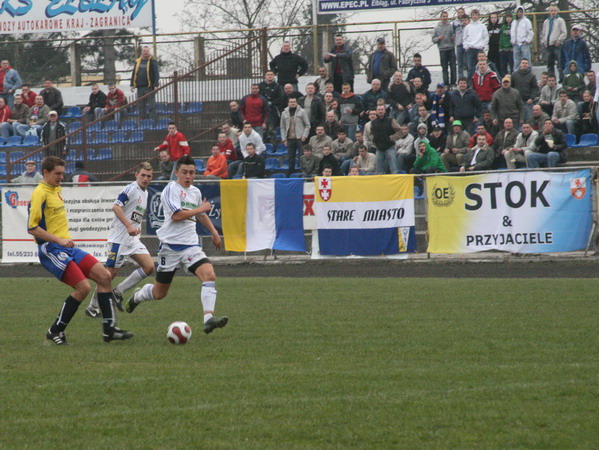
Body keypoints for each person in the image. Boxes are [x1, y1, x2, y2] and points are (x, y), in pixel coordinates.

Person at [29, 156, 132, 345]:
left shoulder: (56, 189)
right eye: (57, 174)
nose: (61, 177)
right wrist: (59, 239)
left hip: (67, 247)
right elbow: (32, 228)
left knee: (104, 276)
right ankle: (55, 331)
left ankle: (109, 330)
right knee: (83, 287)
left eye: (62, 173)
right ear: (45, 173)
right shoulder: (39, 193)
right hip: (51, 249)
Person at [125, 155, 227, 335]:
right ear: (176, 173)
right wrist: (200, 209)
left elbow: (200, 215)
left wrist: (213, 232)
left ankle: (208, 318)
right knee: (159, 294)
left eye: (192, 173)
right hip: (170, 248)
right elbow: (177, 216)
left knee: (209, 275)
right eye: (185, 172)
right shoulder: (171, 189)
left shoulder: (195, 192)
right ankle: (138, 296)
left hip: (190, 246)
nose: (188, 176)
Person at [85, 162, 155, 318]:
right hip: (119, 239)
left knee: (149, 267)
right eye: (143, 175)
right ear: (136, 174)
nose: (145, 179)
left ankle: (118, 292)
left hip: (132, 240)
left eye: (148, 176)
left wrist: (133, 228)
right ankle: (92, 307)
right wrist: (129, 225)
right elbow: (116, 207)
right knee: (108, 275)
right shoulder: (131, 189)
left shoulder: (146, 193)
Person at [280, 96, 310, 177]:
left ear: (297, 103)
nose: (292, 103)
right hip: (289, 138)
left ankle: (302, 171)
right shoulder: (284, 113)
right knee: (290, 157)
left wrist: (304, 135)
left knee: (301, 156)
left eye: (294, 102)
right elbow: (282, 127)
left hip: (300, 138)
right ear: (288, 103)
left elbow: (307, 125)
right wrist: (284, 139)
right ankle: (291, 172)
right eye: (291, 102)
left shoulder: (302, 112)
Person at [130, 45, 160, 120]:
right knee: (140, 105)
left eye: (147, 51)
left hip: (149, 87)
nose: (145, 52)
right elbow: (134, 73)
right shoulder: (137, 62)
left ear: (149, 52)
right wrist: (132, 84)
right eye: (144, 51)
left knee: (151, 105)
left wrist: (156, 85)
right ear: (141, 52)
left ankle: (152, 120)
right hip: (140, 87)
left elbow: (156, 74)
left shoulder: (153, 62)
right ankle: (142, 121)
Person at [371, 104, 401, 174]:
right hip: (379, 148)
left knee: (394, 169)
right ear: (376, 111)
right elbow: (372, 133)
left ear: (385, 111)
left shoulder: (391, 120)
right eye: (379, 110)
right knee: (379, 171)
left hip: (390, 147)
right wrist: (374, 141)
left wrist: (391, 138)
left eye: (382, 109)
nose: (380, 111)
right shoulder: (373, 122)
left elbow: (400, 131)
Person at [541, 4, 567, 82]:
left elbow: (564, 32)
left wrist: (559, 40)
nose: (553, 12)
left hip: (557, 45)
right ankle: (552, 79)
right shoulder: (546, 21)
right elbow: (543, 33)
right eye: (551, 10)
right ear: (549, 12)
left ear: (557, 11)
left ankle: (562, 79)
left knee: (559, 64)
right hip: (548, 45)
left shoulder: (560, 20)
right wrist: (544, 42)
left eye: (554, 10)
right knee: (549, 64)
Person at [462, 9, 489, 83]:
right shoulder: (467, 27)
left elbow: (485, 37)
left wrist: (483, 46)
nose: (475, 17)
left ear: (478, 16)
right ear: (471, 16)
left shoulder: (482, 26)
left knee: (480, 67)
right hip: (470, 49)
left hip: (479, 50)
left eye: (476, 15)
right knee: (470, 68)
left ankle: (480, 82)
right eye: (473, 15)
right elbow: (464, 38)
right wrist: (466, 47)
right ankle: (470, 84)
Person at [258, 71, 284, 142]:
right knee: (262, 130)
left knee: (272, 129)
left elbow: (281, 97)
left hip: (273, 111)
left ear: (274, 76)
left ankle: (273, 145)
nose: (270, 76)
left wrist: (272, 103)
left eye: (271, 74)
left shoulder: (278, 86)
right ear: (265, 76)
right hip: (262, 111)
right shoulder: (260, 86)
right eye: (268, 74)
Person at [432, 11, 456, 87]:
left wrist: (453, 38)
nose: (445, 18)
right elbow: (433, 40)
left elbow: (454, 35)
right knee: (444, 68)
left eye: (446, 16)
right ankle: (446, 83)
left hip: (451, 48)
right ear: (441, 17)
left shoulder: (451, 26)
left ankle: (453, 83)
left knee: (453, 67)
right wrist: (438, 38)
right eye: (444, 16)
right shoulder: (437, 28)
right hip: (442, 50)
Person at [498, 13, 514, 78]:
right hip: (503, 49)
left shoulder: (513, 26)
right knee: (503, 66)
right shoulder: (503, 27)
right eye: (507, 17)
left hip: (511, 49)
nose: (508, 18)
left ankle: (512, 79)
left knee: (512, 66)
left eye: (510, 17)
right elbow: (501, 37)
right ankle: (504, 79)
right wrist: (500, 47)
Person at [453, 8, 467, 79]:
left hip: (467, 45)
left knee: (467, 63)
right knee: (460, 64)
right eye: (459, 12)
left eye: (462, 12)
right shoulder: (455, 22)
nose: (460, 14)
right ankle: (461, 80)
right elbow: (453, 33)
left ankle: (468, 80)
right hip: (459, 45)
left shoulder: (467, 21)